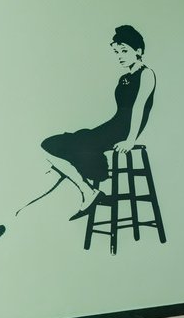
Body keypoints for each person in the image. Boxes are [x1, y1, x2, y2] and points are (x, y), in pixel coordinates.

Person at [31, 25, 157, 220]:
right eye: (117, 52)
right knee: (51, 145)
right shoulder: (124, 77)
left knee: (71, 144)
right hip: (112, 126)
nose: (120, 56)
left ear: (138, 51)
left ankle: (88, 193)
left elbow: (139, 108)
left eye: (124, 51)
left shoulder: (146, 74)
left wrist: (130, 140)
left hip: (125, 130)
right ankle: (87, 191)